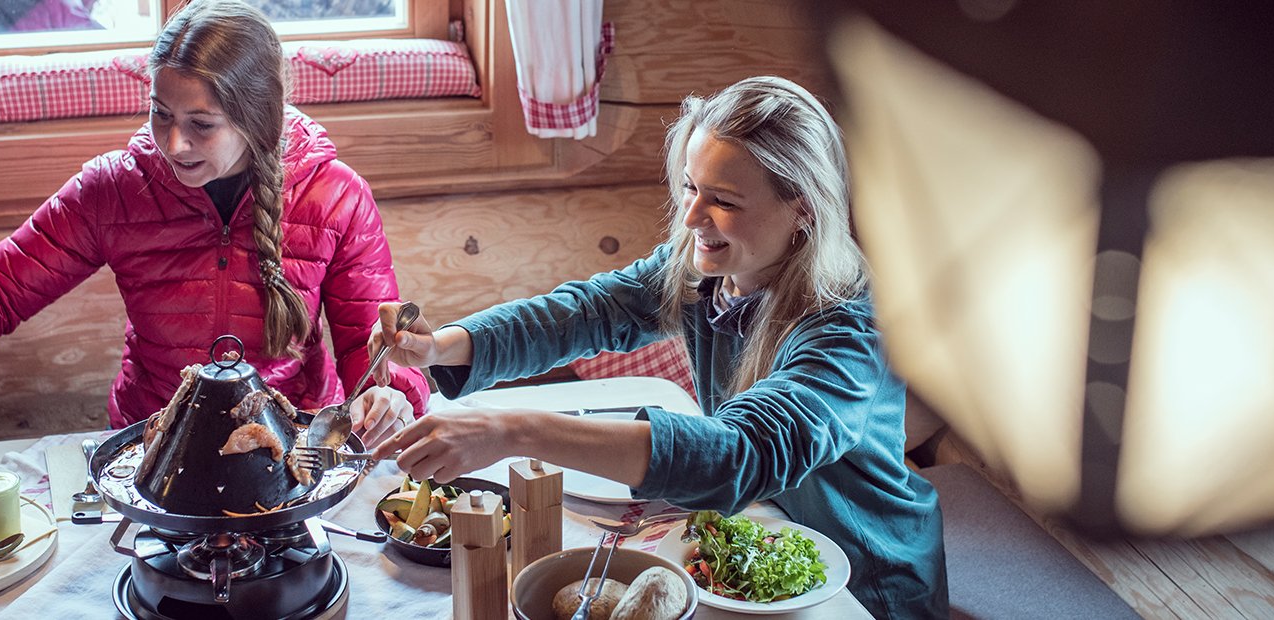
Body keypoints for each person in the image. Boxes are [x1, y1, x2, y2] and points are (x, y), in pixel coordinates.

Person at [367, 76, 947, 618]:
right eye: (691, 187)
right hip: (752, 546)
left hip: (866, 579)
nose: (692, 216)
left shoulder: (848, 327)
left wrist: (515, 431)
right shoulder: (709, 272)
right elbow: (586, 312)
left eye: (724, 200)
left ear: (802, 209)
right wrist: (440, 346)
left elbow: (741, 452)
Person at [0, 0, 428, 441]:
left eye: (201, 124)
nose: (173, 143)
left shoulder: (335, 196)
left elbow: (375, 351)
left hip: (292, 450)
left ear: (258, 118)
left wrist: (392, 395)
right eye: (160, 114)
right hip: (154, 445)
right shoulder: (115, 189)